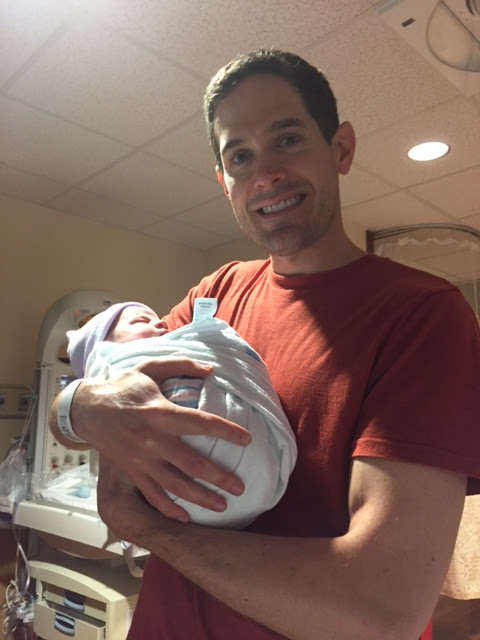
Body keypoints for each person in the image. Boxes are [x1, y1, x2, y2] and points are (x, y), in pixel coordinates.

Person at [49, 49, 480, 640]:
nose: (265, 174)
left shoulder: (423, 315)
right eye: (240, 156)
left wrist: (142, 525)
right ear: (224, 181)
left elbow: (382, 610)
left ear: (341, 149)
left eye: (288, 139)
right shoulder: (215, 295)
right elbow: (99, 388)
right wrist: (78, 407)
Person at [66, 301, 297, 528]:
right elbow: (77, 414)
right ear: (103, 345)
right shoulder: (110, 362)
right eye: (141, 321)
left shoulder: (181, 335)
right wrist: (75, 405)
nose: (163, 325)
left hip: (260, 473)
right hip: (189, 495)